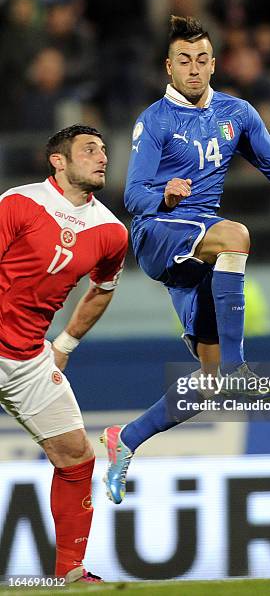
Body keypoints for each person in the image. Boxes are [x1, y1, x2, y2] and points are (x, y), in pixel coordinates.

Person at [101, 15, 270, 504]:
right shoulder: (155, 119)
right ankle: (239, 365)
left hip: (199, 254)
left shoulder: (238, 113)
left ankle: (125, 440)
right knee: (236, 235)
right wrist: (164, 196)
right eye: (184, 61)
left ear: (214, 63)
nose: (194, 68)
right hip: (158, 233)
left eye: (203, 59)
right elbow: (131, 195)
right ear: (169, 68)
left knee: (207, 384)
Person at [0, 125, 128, 581]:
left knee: (76, 455)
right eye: (89, 149)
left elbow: (102, 289)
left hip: (30, 359)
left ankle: (69, 573)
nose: (102, 157)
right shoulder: (21, 202)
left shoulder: (111, 232)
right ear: (58, 160)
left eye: (104, 150)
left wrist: (65, 344)